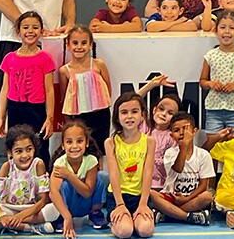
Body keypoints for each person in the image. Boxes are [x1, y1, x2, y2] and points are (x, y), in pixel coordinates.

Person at [0, 11, 56, 165]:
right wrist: (1, 117)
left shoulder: (45, 58)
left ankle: (42, 183)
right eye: (26, 27)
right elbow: (5, 90)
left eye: (35, 27)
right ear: (18, 31)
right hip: (16, 109)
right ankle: (16, 181)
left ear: (41, 32)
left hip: (37, 110)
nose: (30, 31)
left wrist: (50, 118)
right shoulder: (9, 58)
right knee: (16, 145)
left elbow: (49, 90)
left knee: (39, 147)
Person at [0, 125, 58, 234]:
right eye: (19, 151)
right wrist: (1, 216)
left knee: (54, 209)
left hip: (31, 210)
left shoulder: (38, 164)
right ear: (10, 153)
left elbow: (43, 200)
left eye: (29, 149)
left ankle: (3, 226)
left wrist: (20, 216)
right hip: (8, 209)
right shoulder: (7, 167)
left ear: (34, 148)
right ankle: (28, 227)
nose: (25, 155)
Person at [105, 92, 155, 239]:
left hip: (140, 196)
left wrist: (143, 204)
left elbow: (148, 173)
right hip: (118, 196)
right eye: (124, 112)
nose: (129, 116)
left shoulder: (149, 141)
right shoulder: (111, 142)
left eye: (134, 111)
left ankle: (136, 218)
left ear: (142, 115)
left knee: (145, 231)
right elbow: (113, 174)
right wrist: (120, 204)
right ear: (117, 116)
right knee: (125, 232)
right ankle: (118, 222)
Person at [152, 112, 215, 225]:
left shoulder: (203, 154)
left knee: (207, 196)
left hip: (191, 198)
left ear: (194, 131)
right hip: (171, 196)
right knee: (152, 194)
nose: (181, 133)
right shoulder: (170, 153)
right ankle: (187, 216)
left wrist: (187, 198)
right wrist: (184, 148)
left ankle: (168, 214)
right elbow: (177, 169)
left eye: (185, 129)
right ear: (171, 135)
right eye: (176, 130)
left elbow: (204, 185)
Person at [48, 120, 108, 236]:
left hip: (86, 203)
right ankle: (61, 217)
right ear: (63, 145)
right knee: (63, 185)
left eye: (79, 141)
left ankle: (95, 213)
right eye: (69, 142)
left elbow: (87, 193)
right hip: (69, 206)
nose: (74, 146)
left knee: (100, 179)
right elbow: (53, 193)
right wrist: (67, 216)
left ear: (86, 143)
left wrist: (70, 175)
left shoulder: (91, 161)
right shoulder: (60, 164)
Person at [59, 25, 112, 154]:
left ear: (90, 45)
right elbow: (65, 94)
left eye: (84, 43)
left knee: (100, 148)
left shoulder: (98, 64)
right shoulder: (64, 70)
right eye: (75, 43)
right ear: (68, 45)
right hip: (77, 116)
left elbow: (108, 87)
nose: (79, 47)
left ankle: (99, 172)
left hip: (100, 114)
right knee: (82, 148)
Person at [199, 10, 234, 133]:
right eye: (223, 27)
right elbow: (202, 81)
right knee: (213, 140)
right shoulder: (210, 55)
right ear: (216, 30)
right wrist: (211, 84)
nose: (227, 32)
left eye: (232, 28)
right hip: (213, 108)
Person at [146, 94, 180, 200]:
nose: (163, 114)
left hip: (161, 184)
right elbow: (129, 102)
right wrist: (151, 85)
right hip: (140, 183)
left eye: (170, 113)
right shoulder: (144, 128)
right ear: (154, 110)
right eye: (161, 109)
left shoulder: (172, 137)